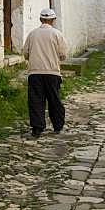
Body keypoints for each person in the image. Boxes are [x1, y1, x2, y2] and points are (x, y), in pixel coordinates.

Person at [21, 8, 68, 137]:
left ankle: (37, 128)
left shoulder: (32, 34)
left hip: (35, 73)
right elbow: (63, 55)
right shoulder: (57, 34)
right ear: (53, 20)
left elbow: (25, 53)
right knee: (54, 99)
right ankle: (57, 126)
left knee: (36, 100)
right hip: (52, 73)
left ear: (41, 19)